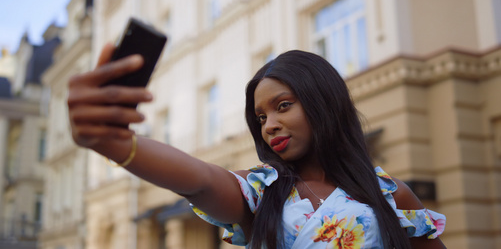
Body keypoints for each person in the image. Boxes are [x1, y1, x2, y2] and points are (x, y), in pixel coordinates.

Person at [68, 44, 446, 249]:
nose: (271, 125)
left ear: (323, 101)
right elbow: (200, 180)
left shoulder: (393, 196)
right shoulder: (262, 191)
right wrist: (116, 143)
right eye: (261, 117)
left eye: (283, 106)